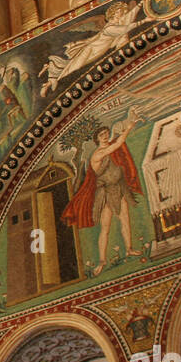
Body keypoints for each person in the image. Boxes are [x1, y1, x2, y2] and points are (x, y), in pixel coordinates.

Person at [62, 108, 144, 274]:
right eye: (102, 135)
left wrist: (129, 121)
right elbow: (118, 143)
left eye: (106, 133)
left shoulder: (110, 145)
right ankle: (101, 261)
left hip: (119, 189)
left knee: (125, 221)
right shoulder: (98, 155)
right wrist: (130, 126)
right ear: (96, 140)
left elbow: (117, 140)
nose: (106, 136)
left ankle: (129, 249)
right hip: (105, 194)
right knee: (105, 227)